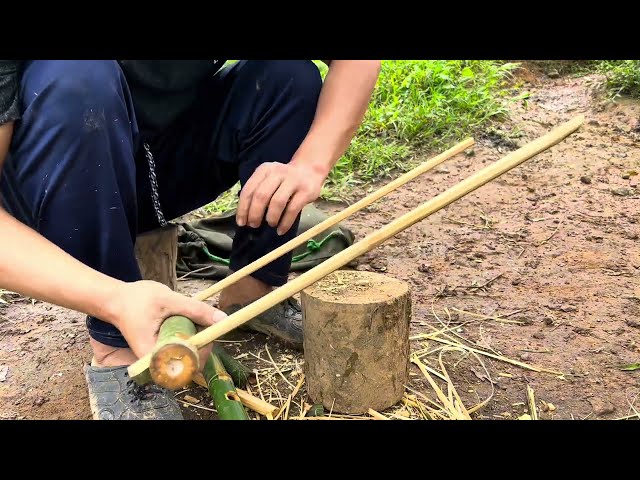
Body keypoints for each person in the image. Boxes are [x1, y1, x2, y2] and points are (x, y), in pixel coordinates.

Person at [0, 59, 381, 419]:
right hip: (60, 173)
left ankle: (252, 293)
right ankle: (117, 348)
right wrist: (114, 300)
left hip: (159, 166)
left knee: (287, 77)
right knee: (76, 79)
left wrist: (310, 163)